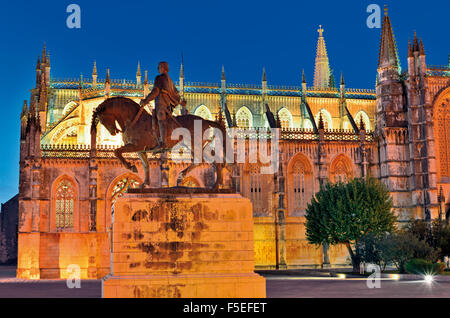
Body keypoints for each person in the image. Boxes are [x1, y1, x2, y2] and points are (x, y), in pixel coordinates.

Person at [140, 61, 186, 151]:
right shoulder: (170, 80)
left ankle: (163, 143)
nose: (158, 69)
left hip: (161, 105)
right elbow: (176, 94)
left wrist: (146, 100)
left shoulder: (159, 78)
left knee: (160, 119)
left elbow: (155, 92)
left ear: (163, 68)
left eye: (159, 67)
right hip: (168, 106)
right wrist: (180, 102)